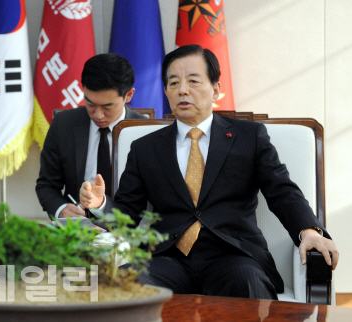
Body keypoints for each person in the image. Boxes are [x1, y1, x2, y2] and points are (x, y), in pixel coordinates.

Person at [79, 44, 338, 299]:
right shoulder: (145, 147)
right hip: (168, 258)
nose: (182, 90)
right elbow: (128, 215)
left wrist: (310, 231)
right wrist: (101, 204)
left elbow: (282, 192)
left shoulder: (249, 137)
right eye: (173, 83)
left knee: (248, 284)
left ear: (215, 90)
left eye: (193, 81)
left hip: (233, 256)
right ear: (167, 92)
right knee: (120, 286)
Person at [36, 53, 147, 221]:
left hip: (130, 228)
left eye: (107, 106)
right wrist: (61, 210)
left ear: (128, 95)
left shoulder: (145, 130)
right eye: (90, 104)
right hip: (78, 228)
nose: (98, 115)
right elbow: (47, 185)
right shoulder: (63, 124)